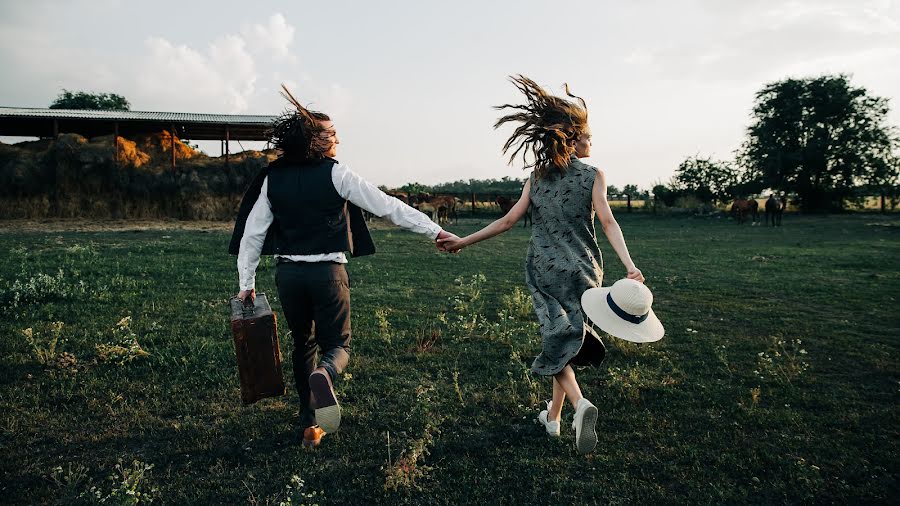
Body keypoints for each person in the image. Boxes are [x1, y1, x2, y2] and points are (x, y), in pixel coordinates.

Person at [230, 85, 458, 448]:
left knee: (301, 344)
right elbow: (388, 206)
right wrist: (434, 230)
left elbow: (252, 235)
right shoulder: (337, 174)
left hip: (288, 275)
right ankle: (326, 373)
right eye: (331, 134)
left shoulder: (274, 178)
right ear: (316, 143)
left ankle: (310, 424)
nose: (337, 139)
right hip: (327, 275)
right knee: (337, 345)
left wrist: (247, 282)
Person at [438, 75, 645, 455]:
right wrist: (629, 266)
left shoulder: (536, 178)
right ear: (572, 137)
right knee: (565, 339)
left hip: (545, 269)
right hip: (586, 271)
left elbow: (507, 221)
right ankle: (552, 417)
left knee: (556, 340)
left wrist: (463, 241)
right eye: (588, 138)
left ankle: (579, 405)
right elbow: (609, 221)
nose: (591, 143)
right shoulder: (594, 175)